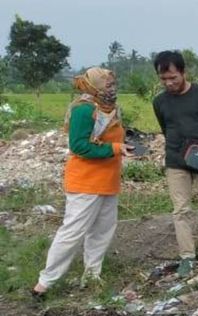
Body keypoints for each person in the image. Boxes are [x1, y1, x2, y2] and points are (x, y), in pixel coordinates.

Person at [32, 68, 132, 298]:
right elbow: (79, 146)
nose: (112, 88)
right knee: (73, 231)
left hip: (108, 180)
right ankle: (45, 282)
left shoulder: (110, 109)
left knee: (102, 230)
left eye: (113, 84)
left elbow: (109, 139)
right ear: (94, 86)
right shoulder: (84, 109)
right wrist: (116, 149)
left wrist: (123, 145)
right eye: (107, 85)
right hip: (86, 183)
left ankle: (91, 275)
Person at [152, 50, 198, 277]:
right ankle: (186, 257)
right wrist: (183, 151)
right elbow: (166, 129)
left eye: (173, 77)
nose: (169, 83)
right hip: (175, 162)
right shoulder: (159, 102)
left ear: (183, 72)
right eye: (164, 79)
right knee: (180, 211)